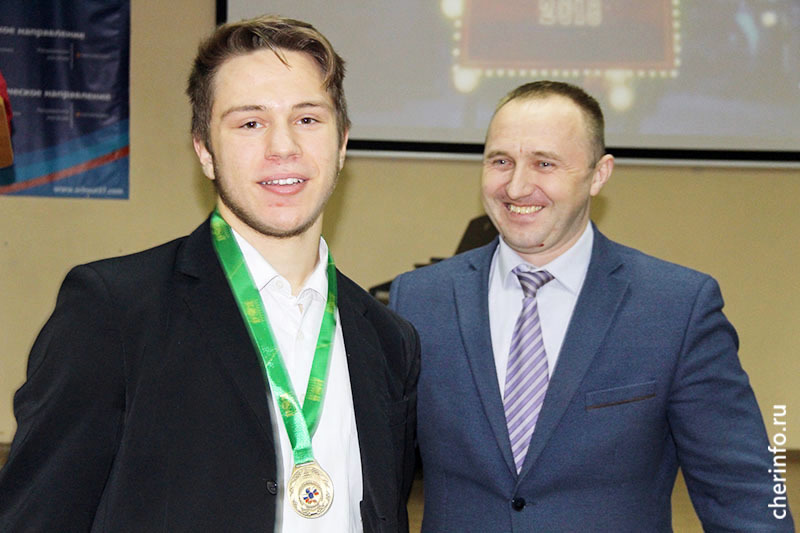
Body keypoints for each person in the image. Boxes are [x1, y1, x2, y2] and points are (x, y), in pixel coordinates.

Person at [0, 15, 419, 532]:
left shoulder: (389, 341)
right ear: (204, 150)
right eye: (250, 123)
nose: (283, 146)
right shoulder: (113, 312)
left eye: (308, 119)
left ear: (342, 142)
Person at [390, 81, 794, 531]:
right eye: (501, 161)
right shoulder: (420, 300)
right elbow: (379, 478)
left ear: (599, 174)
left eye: (545, 163)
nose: (517, 186)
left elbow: (744, 489)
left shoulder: (676, 308)